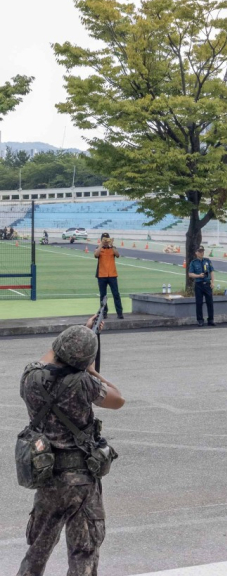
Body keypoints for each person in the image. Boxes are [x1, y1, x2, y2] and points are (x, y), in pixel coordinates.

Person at [17, 319, 125, 576]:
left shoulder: (31, 378)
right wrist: (91, 367)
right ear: (84, 361)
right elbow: (118, 399)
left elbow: (50, 355)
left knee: (37, 552)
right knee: (83, 553)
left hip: (47, 477)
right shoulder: (85, 383)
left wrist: (79, 335)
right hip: (82, 483)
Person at [94, 232, 124, 319]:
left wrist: (111, 245)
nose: (106, 241)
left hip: (112, 274)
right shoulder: (98, 248)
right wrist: (101, 245)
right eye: (104, 239)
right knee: (103, 295)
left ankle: (119, 312)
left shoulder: (112, 248)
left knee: (116, 294)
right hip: (101, 275)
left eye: (107, 239)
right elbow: (96, 255)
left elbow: (117, 255)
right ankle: (104, 312)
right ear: (101, 240)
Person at [189, 246, 215, 327]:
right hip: (199, 284)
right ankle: (200, 320)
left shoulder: (207, 261)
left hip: (207, 284)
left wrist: (212, 282)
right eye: (200, 251)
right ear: (196, 253)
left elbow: (211, 271)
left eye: (202, 251)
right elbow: (190, 274)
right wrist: (198, 276)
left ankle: (211, 319)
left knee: (210, 303)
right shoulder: (193, 262)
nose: (201, 253)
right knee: (199, 303)